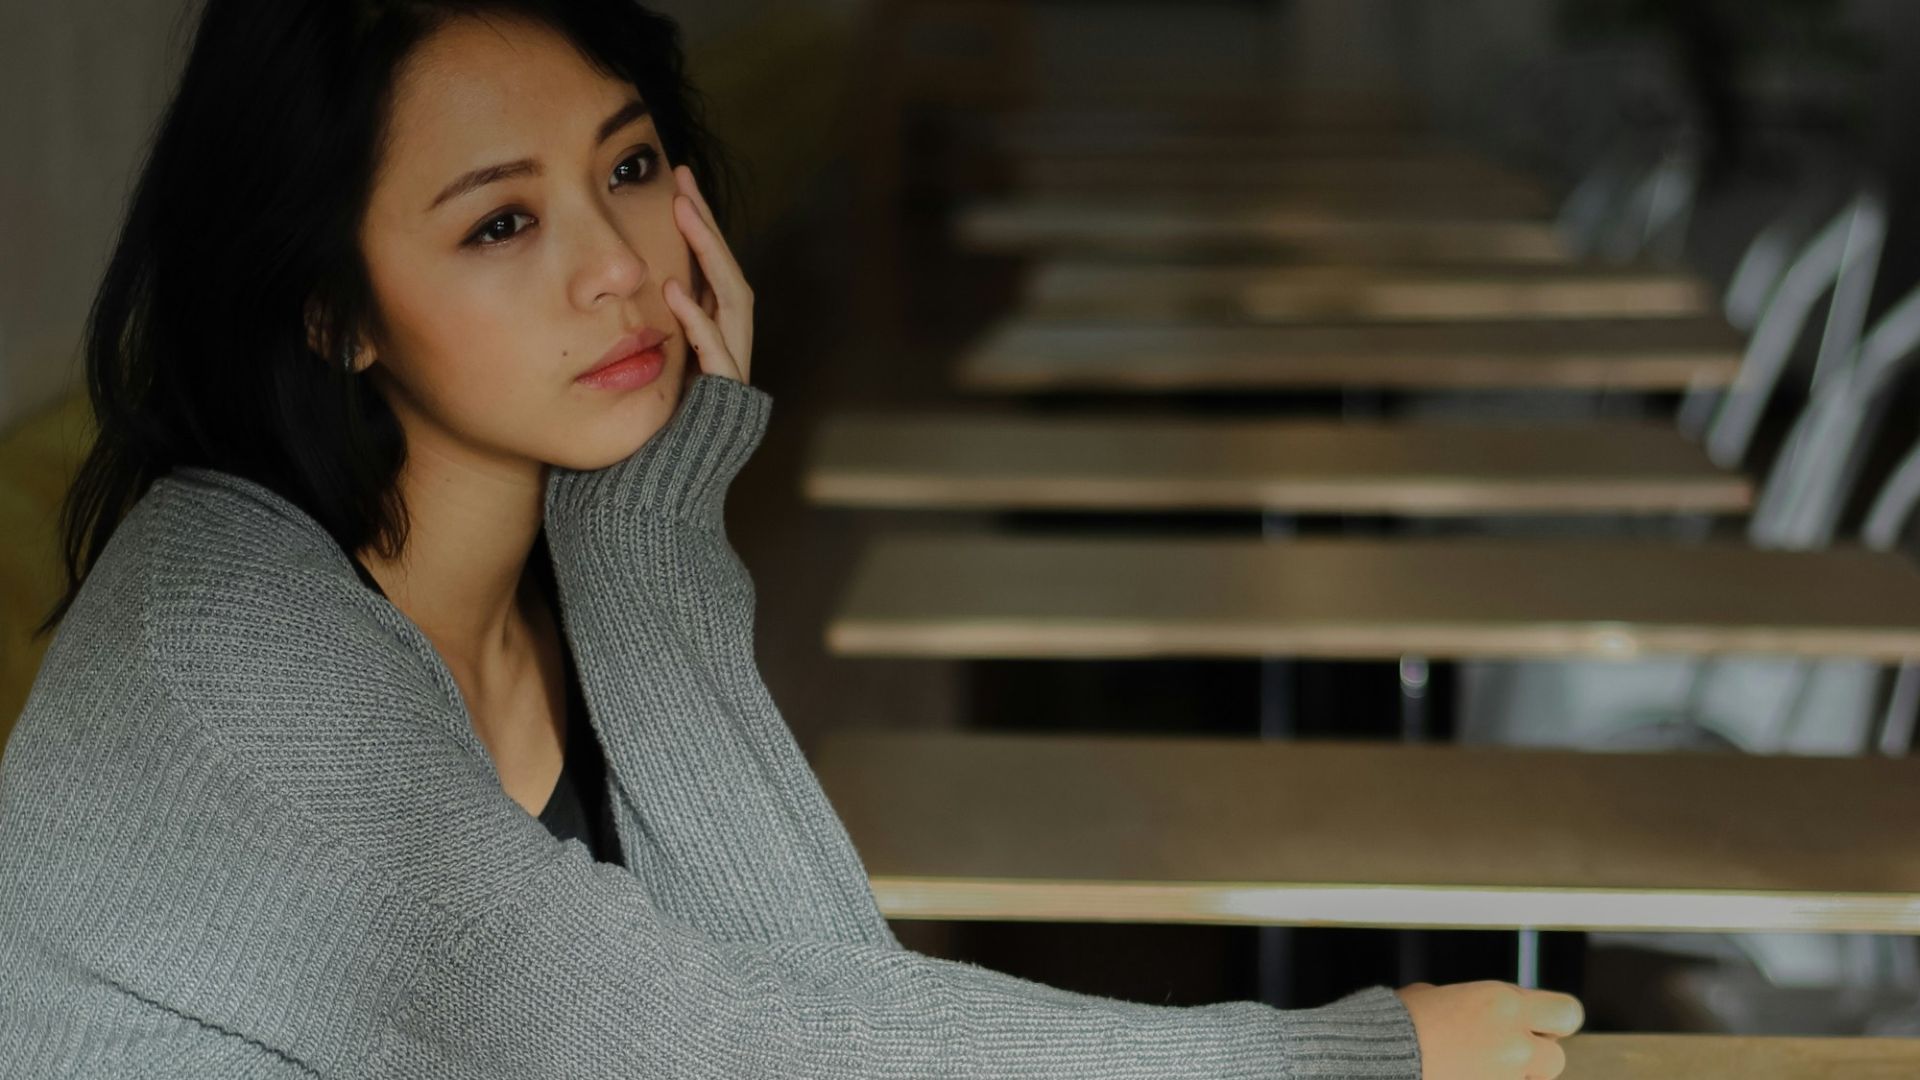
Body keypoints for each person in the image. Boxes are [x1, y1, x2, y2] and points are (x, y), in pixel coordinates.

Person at [0, 1, 1583, 1075]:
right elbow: (743, 1050)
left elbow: (811, 967)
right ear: (331, 309)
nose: (617, 266)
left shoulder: (552, 582)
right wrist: (1335, 1055)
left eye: (626, 169)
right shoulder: (225, 654)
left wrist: (652, 530)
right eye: (501, 220)